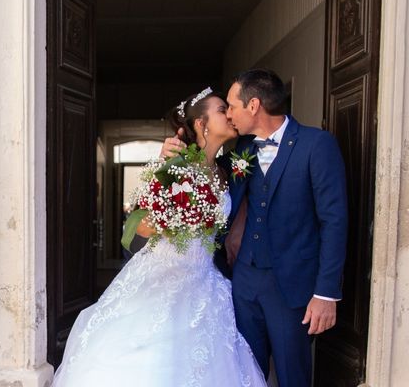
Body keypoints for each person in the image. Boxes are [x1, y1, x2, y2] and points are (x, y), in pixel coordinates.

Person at [52, 89, 267, 387]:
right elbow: (140, 224)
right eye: (222, 110)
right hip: (163, 273)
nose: (230, 114)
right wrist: (173, 220)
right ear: (200, 124)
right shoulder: (173, 165)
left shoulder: (226, 170)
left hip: (204, 279)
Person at [161, 69, 348, 387]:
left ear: (253, 106)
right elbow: (207, 176)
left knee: (293, 375)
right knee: (246, 375)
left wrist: (326, 293)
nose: (229, 114)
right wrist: (174, 159)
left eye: (231, 105)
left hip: (290, 288)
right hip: (242, 285)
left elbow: (334, 220)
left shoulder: (317, 145)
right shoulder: (242, 150)